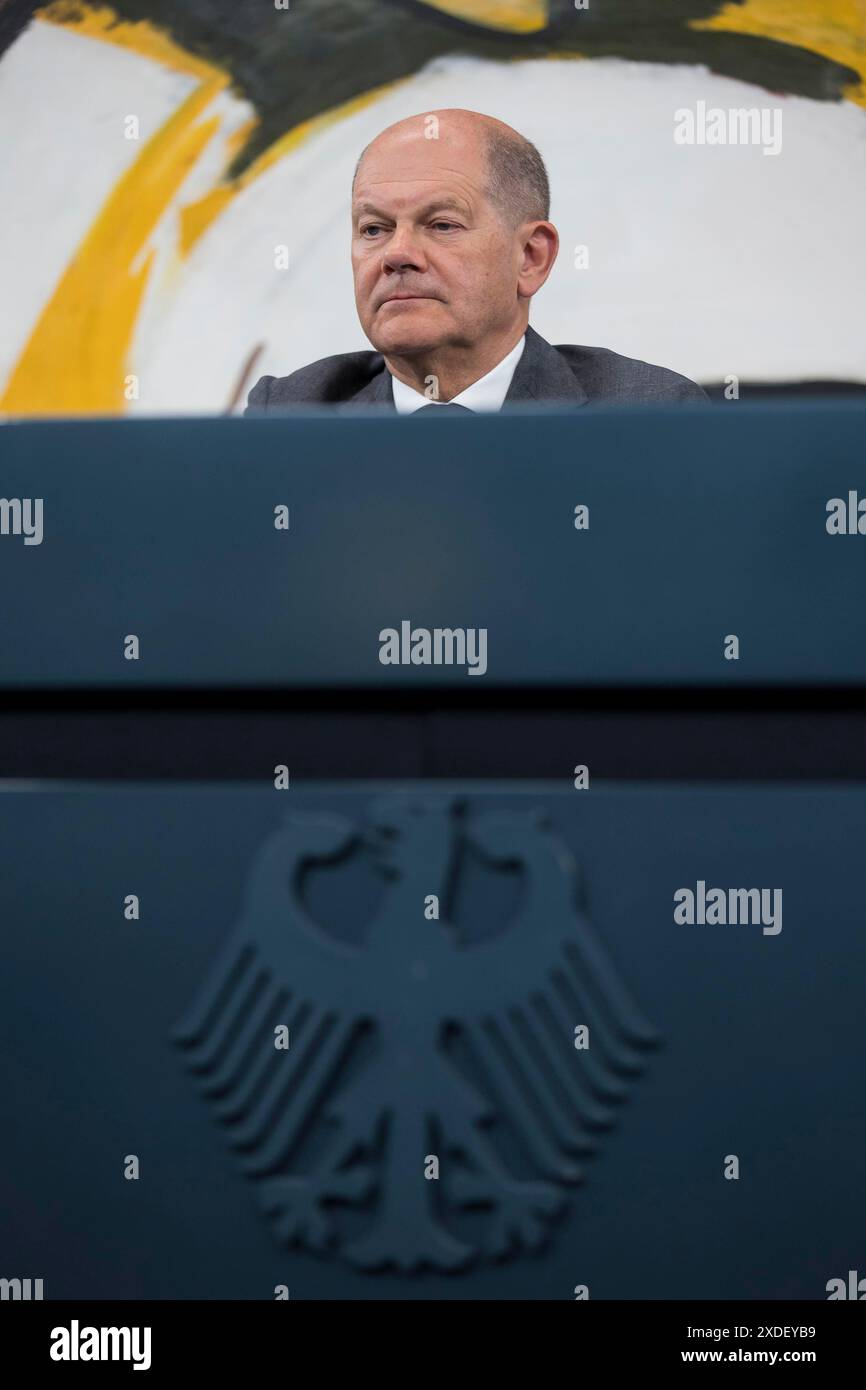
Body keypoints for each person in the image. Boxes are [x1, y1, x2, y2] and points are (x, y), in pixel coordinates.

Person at [246, 108, 707, 413]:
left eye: (442, 225)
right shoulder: (291, 411)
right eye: (374, 229)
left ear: (531, 257)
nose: (397, 254)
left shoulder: (651, 415)